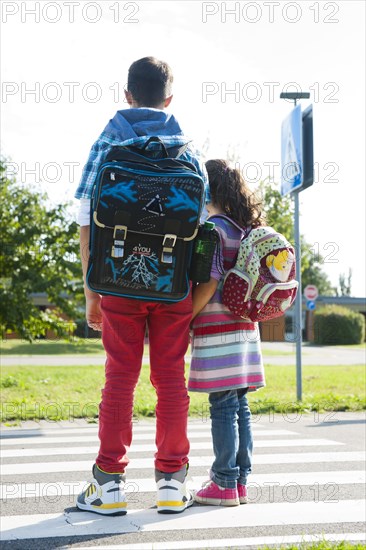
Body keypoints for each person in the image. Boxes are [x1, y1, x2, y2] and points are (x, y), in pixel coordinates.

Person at [75, 57, 208, 515]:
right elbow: (201, 225)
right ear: (169, 99)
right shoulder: (188, 150)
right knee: (170, 378)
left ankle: (108, 484)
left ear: (127, 94)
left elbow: (85, 219)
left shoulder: (108, 140)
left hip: (116, 282)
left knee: (120, 378)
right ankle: (172, 482)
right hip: (173, 285)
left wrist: (92, 290)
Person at [188, 159, 266, 506]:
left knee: (221, 406)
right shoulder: (243, 229)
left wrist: (186, 317)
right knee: (240, 406)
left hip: (217, 331)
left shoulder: (211, 230)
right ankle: (240, 481)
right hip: (246, 331)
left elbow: (209, 281)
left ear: (207, 190)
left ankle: (222, 482)